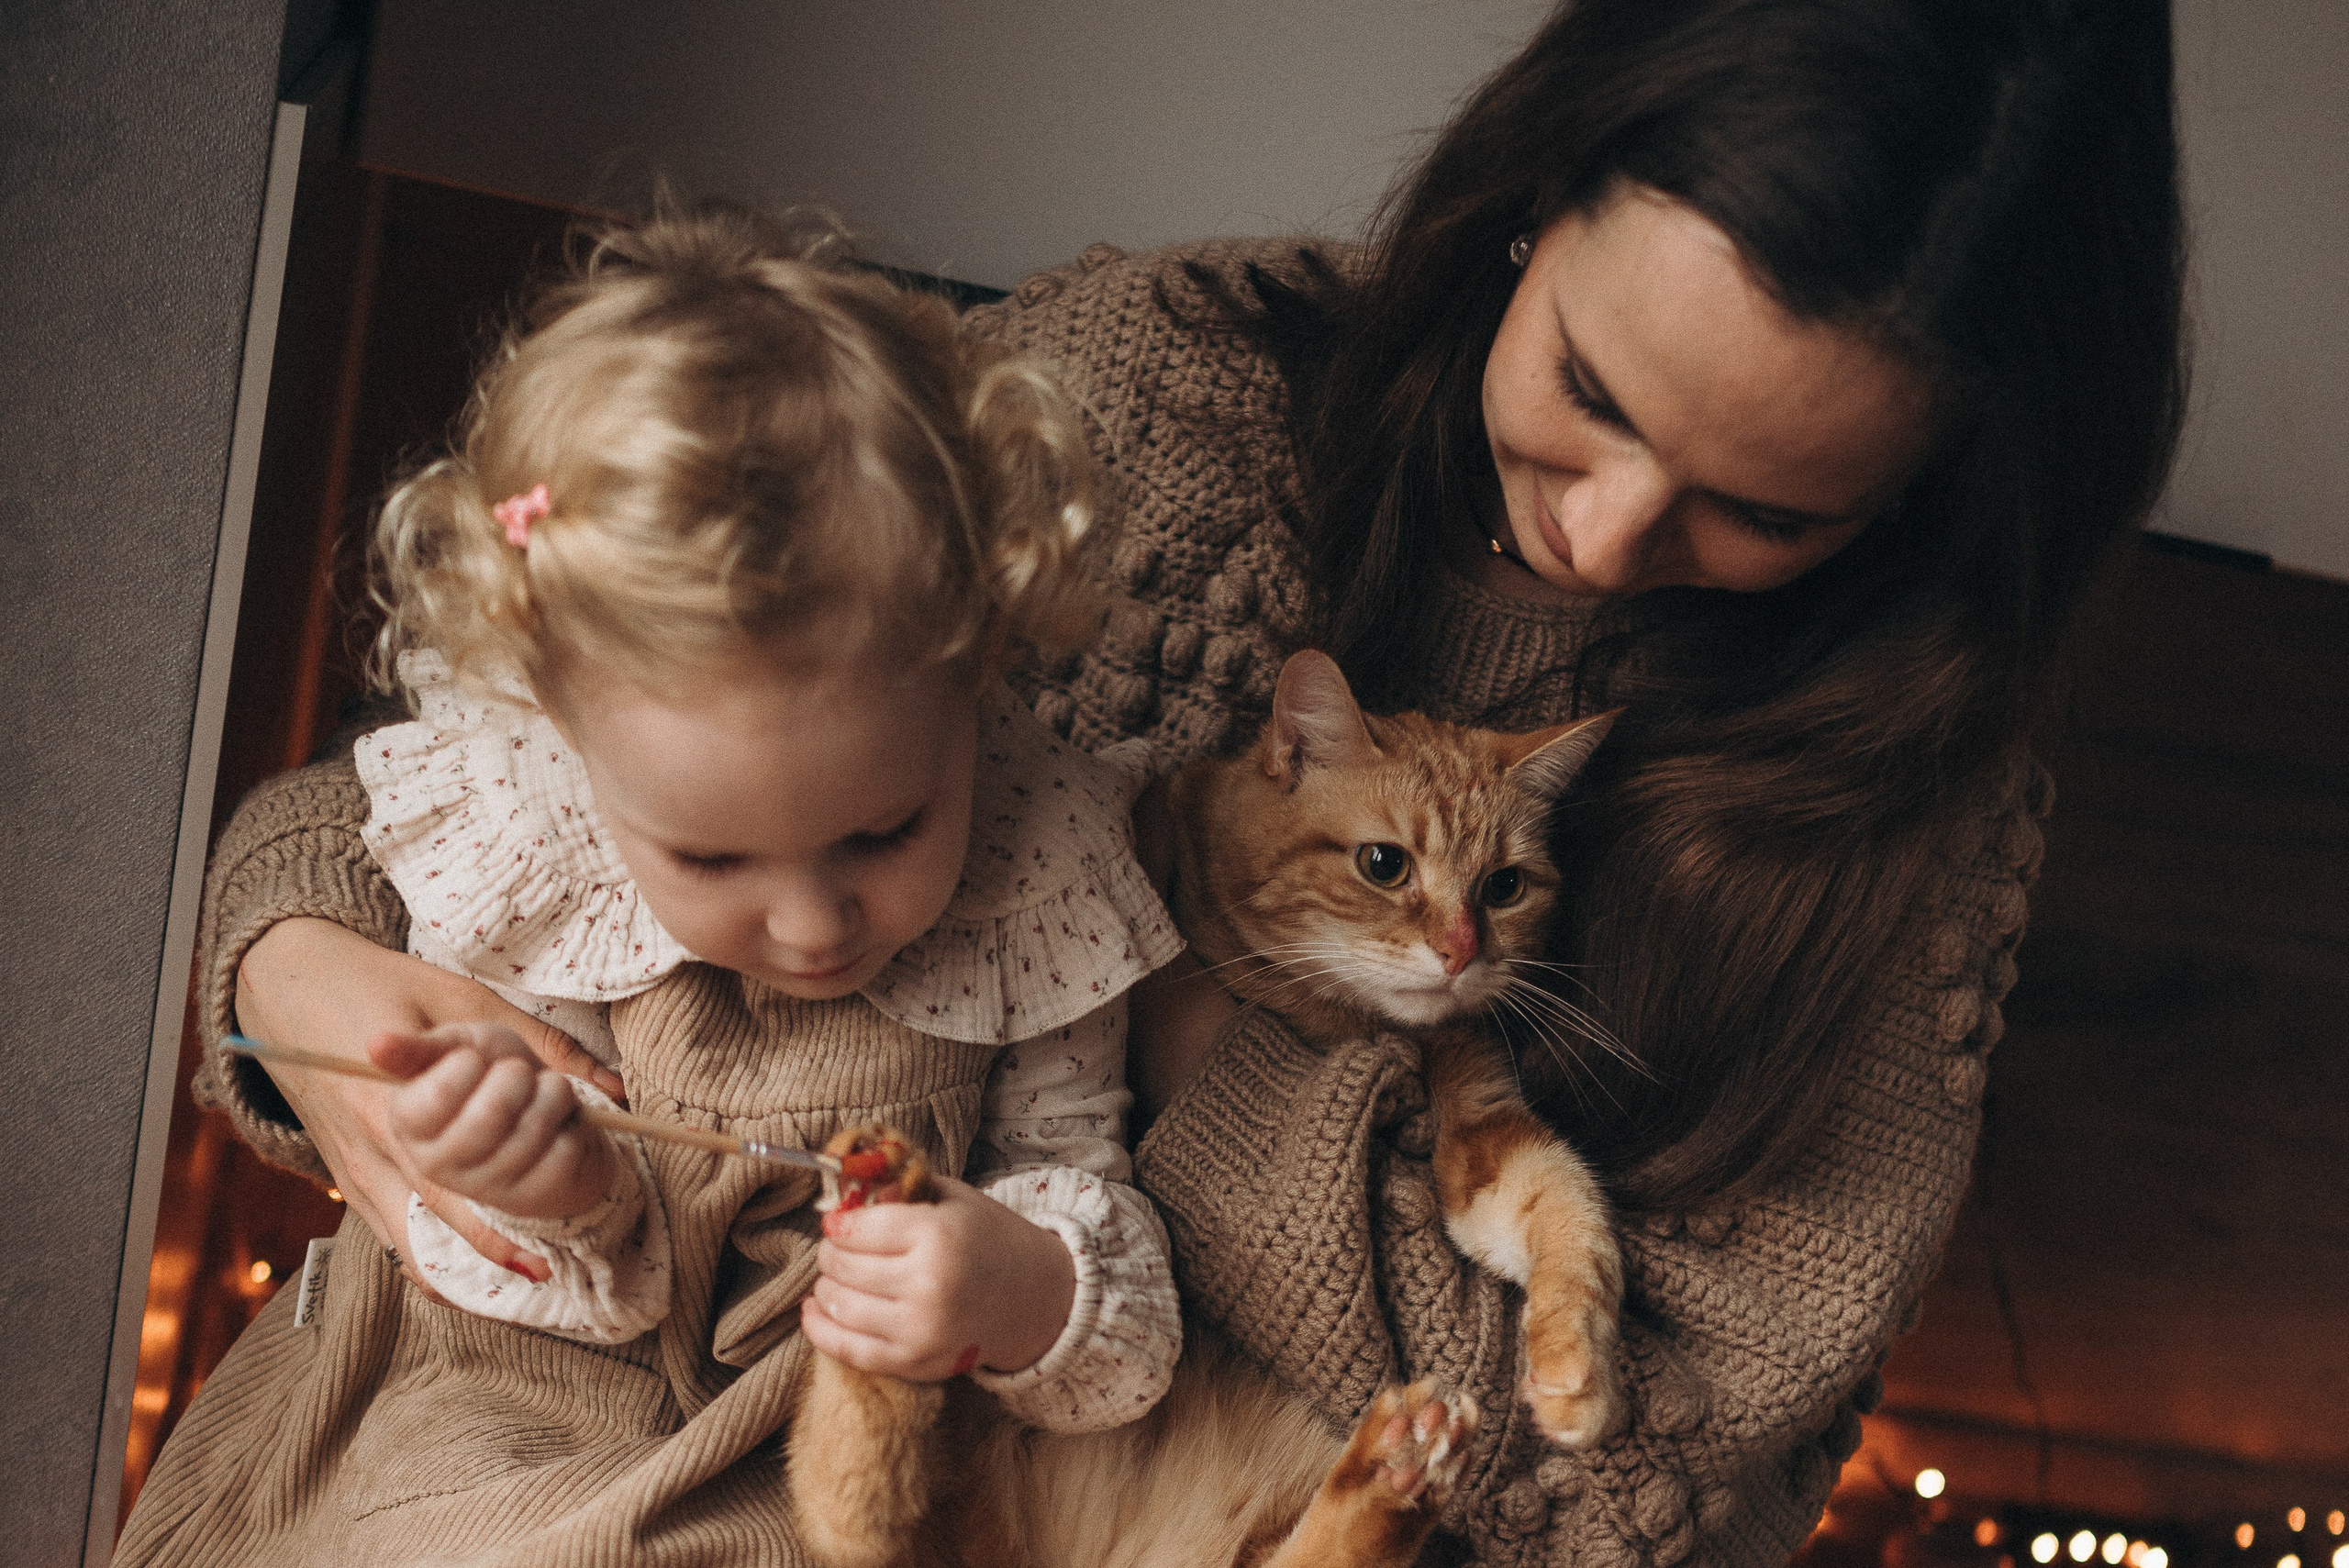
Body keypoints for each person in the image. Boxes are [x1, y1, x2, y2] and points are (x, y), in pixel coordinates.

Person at [175, 0, 2186, 1561]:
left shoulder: (1911, 804)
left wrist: (1200, 1049)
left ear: (1929, 500)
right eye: (1586, 392)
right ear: (1529, 200)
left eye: (1766, 512)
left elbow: (1648, 1485)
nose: (1602, 532)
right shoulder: (1158, 382)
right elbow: (528, 753)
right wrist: (296, 976)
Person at [118, 210, 1185, 1562]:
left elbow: (1085, 1203)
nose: (812, 924)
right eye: (711, 858)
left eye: (885, 831)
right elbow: (459, 1244)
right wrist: (539, 1179)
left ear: (979, 676)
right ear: (564, 735)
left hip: (804, 1456)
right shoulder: (526, 839)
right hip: (500, 1402)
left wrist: (1022, 1285)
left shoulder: (1044, 872)